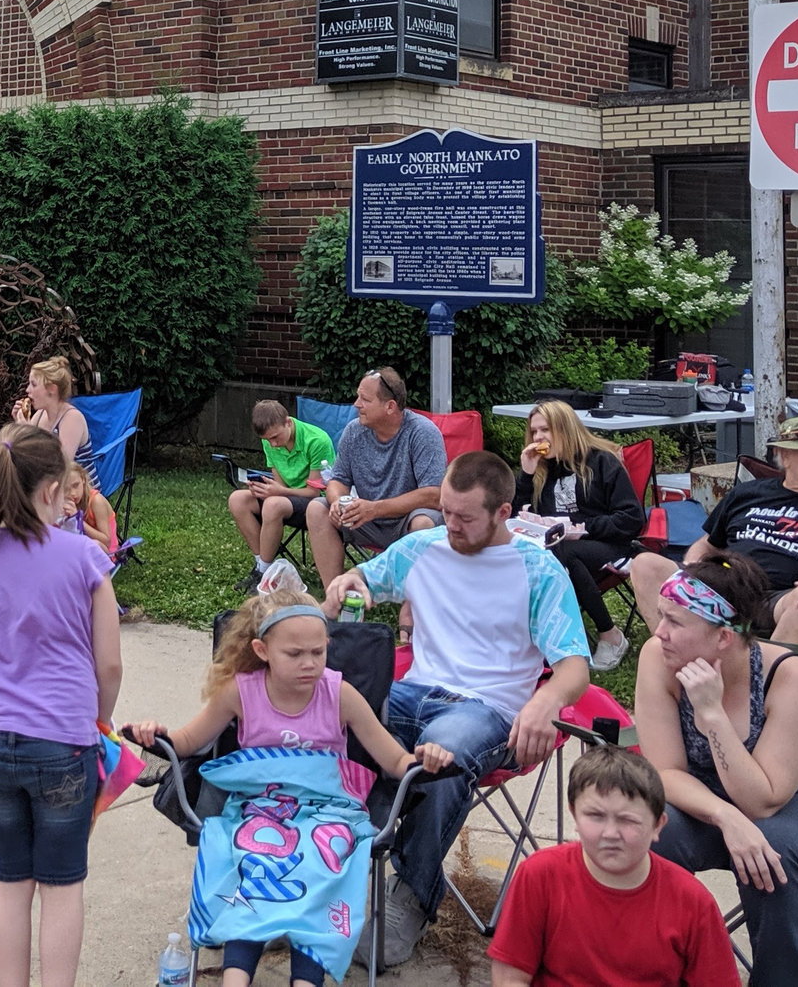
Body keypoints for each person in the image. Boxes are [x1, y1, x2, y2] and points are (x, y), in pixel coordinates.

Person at [321, 449, 592, 968]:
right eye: (445, 511)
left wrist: (546, 702)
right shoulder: (423, 547)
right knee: (325, 717)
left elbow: (575, 666)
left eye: (464, 517)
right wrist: (347, 585)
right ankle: (317, 867)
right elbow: (362, 581)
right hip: (413, 691)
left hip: (488, 709)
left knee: (439, 761)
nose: (451, 525)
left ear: (502, 513)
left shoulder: (538, 569)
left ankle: (411, 898)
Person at [122, 588, 453, 987]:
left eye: (318, 652)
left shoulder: (339, 694)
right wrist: (153, 736)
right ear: (262, 650)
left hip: (329, 809)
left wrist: (426, 758)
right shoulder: (240, 693)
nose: (309, 664)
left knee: (321, 858)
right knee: (250, 856)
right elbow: (187, 741)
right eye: (294, 654)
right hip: (259, 807)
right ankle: (235, 978)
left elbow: (395, 761)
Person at [0, 428, 121, 987]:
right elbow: (108, 666)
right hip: (63, 739)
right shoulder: (87, 558)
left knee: (8, 880)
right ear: (48, 492)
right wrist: (101, 718)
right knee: (62, 886)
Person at [634, 556, 798, 987]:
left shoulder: (790, 678)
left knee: (769, 847)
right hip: (712, 798)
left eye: (674, 621)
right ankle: (649, 970)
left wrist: (712, 715)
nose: (659, 633)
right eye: (661, 617)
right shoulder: (659, 658)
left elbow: (763, 800)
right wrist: (726, 816)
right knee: (649, 828)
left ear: (723, 638)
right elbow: (665, 771)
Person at [487, 746, 738, 987]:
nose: (610, 833)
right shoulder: (539, 875)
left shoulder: (693, 902)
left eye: (628, 820)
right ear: (574, 815)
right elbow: (510, 978)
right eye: (595, 816)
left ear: (658, 826)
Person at [630, 416, 798, 647]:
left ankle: (764, 681)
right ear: (785, 456)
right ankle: (675, 652)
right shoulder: (748, 493)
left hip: (780, 597)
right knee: (645, 565)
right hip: (724, 586)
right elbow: (707, 544)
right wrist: (693, 567)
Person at [514, 399, 646, 671]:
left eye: (545, 430)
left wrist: (581, 528)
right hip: (557, 550)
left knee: (564, 552)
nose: (538, 438)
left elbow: (631, 519)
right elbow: (513, 514)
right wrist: (526, 475)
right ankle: (531, 638)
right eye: (534, 432)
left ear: (565, 428)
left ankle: (610, 635)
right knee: (542, 553)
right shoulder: (541, 470)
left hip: (609, 544)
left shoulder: (601, 462)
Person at [305, 368, 445, 592]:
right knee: (316, 508)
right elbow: (338, 479)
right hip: (365, 520)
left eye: (365, 399)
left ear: (390, 406)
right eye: (358, 396)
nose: (356, 404)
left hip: (405, 523)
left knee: (423, 522)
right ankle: (335, 595)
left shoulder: (422, 433)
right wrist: (337, 503)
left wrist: (375, 509)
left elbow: (434, 494)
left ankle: (414, 603)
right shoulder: (354, 432)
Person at [228, 398, 333, 589]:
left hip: (317, 504)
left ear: (288, 422)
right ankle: (262, 565)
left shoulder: (317, 441)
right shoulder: (270, 441)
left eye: (275, 437)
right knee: (238, 499)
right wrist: (265, 489)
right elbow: (279, 483)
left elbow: (315, 491)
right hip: (287, 497)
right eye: (267, 440)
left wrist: (278, 492)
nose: (273, 444)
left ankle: (264, 575)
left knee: (273, 504)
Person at [0, 355, 90, 463]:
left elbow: (61, 466)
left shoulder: (72, 418)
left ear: (52, 389)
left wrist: (29, 433)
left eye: (33, 384)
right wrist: (18, 427)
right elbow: (25, 454)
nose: (27, 390)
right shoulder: (40, 415)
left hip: (76, 479)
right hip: (45, 479)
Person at [60, 462, 115, 554]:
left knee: (93, 544)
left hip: (106, 552)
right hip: (81, 547)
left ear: (83, 479)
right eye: (66, 489)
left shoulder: (96, 501)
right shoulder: (67, 501)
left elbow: (106, 541)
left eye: (76, 485)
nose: (72, 493)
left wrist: (78, 519)